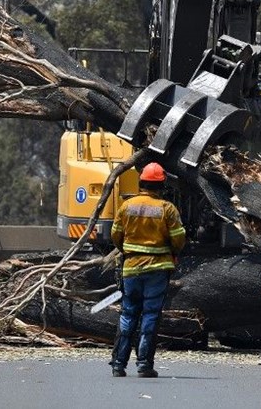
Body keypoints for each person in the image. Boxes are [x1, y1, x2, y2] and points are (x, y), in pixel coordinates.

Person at [109, 162, 186, 378]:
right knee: (150, 315)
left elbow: (115, 235)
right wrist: (172, 251)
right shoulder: (167, 209)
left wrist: (128, 250)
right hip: (158, 270)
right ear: (161, 185)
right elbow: (179, 238)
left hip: (131, 268)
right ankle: (144, 365)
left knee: (128, 313)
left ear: (141, 182)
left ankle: (118, 364)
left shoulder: (127, 206)